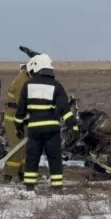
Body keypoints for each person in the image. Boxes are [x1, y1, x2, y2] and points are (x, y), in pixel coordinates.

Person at [14, 53, 79, 192]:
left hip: (34, 129)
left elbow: (20, 111)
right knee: (54, 158)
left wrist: (18, 127)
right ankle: (57, 187)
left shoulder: (27, 85)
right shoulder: (57, 86)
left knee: (32, 158)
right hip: (52, 129)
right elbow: (65, 110)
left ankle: (30, 187)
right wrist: (73, 126)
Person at [2, 63, 31, 184]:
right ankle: (8, 176)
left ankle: (22, 174)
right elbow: (23, 103)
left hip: (21, 118)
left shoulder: (27, 80)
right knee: (17, 148)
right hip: (14, 119)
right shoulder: (23, 82)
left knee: (24, 148)